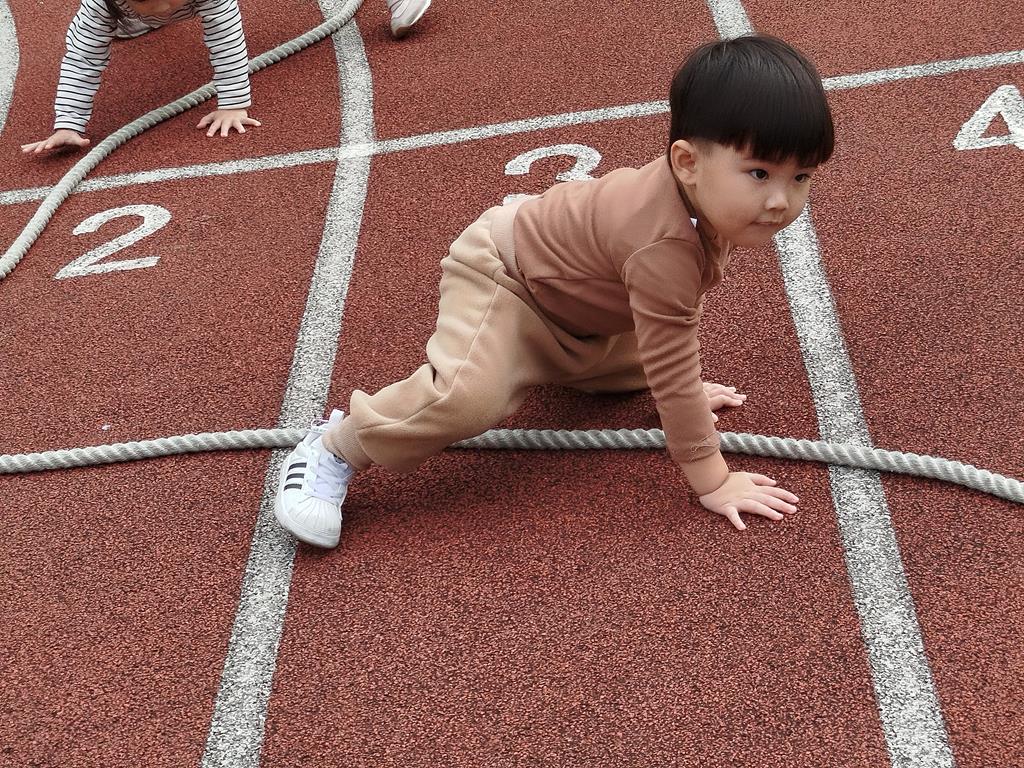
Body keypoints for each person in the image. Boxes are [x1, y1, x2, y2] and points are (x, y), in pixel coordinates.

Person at [273, 34, 835, 548]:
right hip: (506, 276)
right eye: (759, 173)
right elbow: (672, 352)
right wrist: (712, 478)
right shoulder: (662, 244)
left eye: (801, 177)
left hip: (578, 305)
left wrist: (676, 388)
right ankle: (337, 446)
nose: (780, 201)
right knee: (466, 399)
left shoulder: (705, 202)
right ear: (687, 162)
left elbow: (670, 344)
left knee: (660, 370)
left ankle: (570, 358)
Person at [21, 0, 258, 156]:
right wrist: (68, 124)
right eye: (149, 3)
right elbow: (82, 59)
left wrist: (233, 104)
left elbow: (226, 39)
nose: (164, 7)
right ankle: (139, 19)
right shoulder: (99, 6)